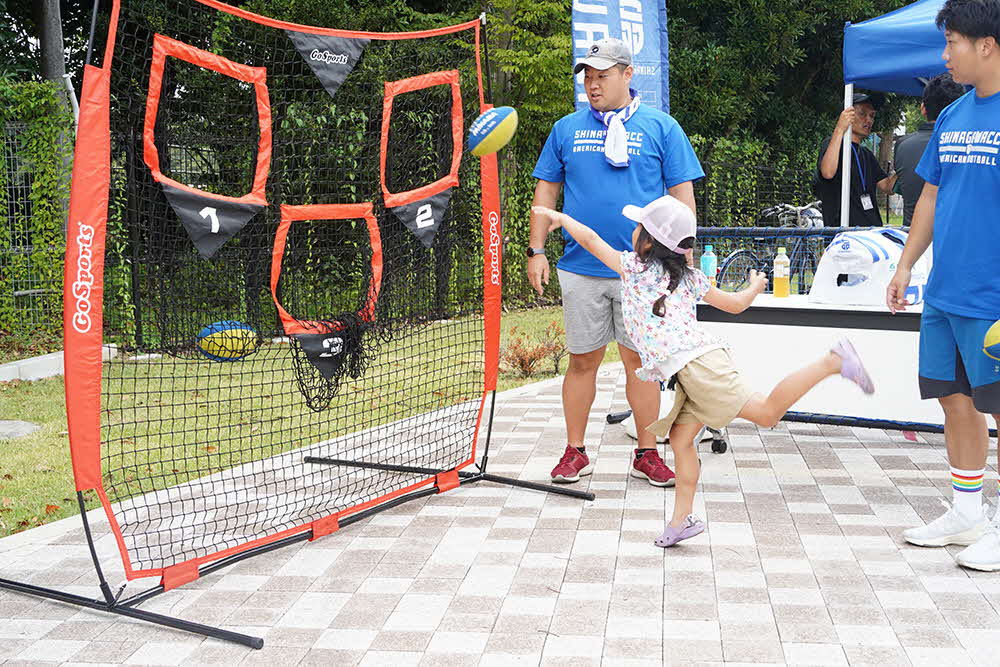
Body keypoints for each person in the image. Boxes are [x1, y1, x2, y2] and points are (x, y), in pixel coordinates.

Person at [533, 196, 875, 547]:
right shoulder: (691, 277)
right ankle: (682, 520)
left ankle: (833, 361)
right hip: (694, 369)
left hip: (700, 368)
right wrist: (756, 286)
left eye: (638, 228)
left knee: (768, 413)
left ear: (649, 242)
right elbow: (736, 305)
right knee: (681, 441)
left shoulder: (634, 268)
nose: (633, 232)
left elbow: (590, 240)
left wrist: (561, 217)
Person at [529, 37, 704, 487]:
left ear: (628, 74)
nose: (592, 84)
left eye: (602, 75)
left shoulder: (662, 127)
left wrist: (683, 261)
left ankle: (647, 453)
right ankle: (574, 452)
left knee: (639, 364)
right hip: (579, 266)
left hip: (645, 274)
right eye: (587, 76)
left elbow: (682, 199)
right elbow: (545, 193)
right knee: (582, 362)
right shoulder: (566, 129)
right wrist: (536, 250)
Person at [887, 0, 1000, 572]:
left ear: (986, 44)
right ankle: (966, 510)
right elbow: (930, 196)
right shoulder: (953, 116)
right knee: (955, 401)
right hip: (945, 292)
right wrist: (907, 265)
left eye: (952, 41)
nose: (945, 53)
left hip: (994, 298)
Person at [815, 93, 899, 226]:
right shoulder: (833, 145)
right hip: (844, 235)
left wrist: (905, 166)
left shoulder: (867, 154)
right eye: (862, 114)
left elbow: (888, 187)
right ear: (847, 116)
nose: (869, 120)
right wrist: (840, 128)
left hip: (870, 232)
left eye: (872, 116)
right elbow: (828, 172)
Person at [894, 73, 966, 225]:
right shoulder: (968, 145)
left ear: (923, 109)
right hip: (950, 233)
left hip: (910, 233)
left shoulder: (902, 145)